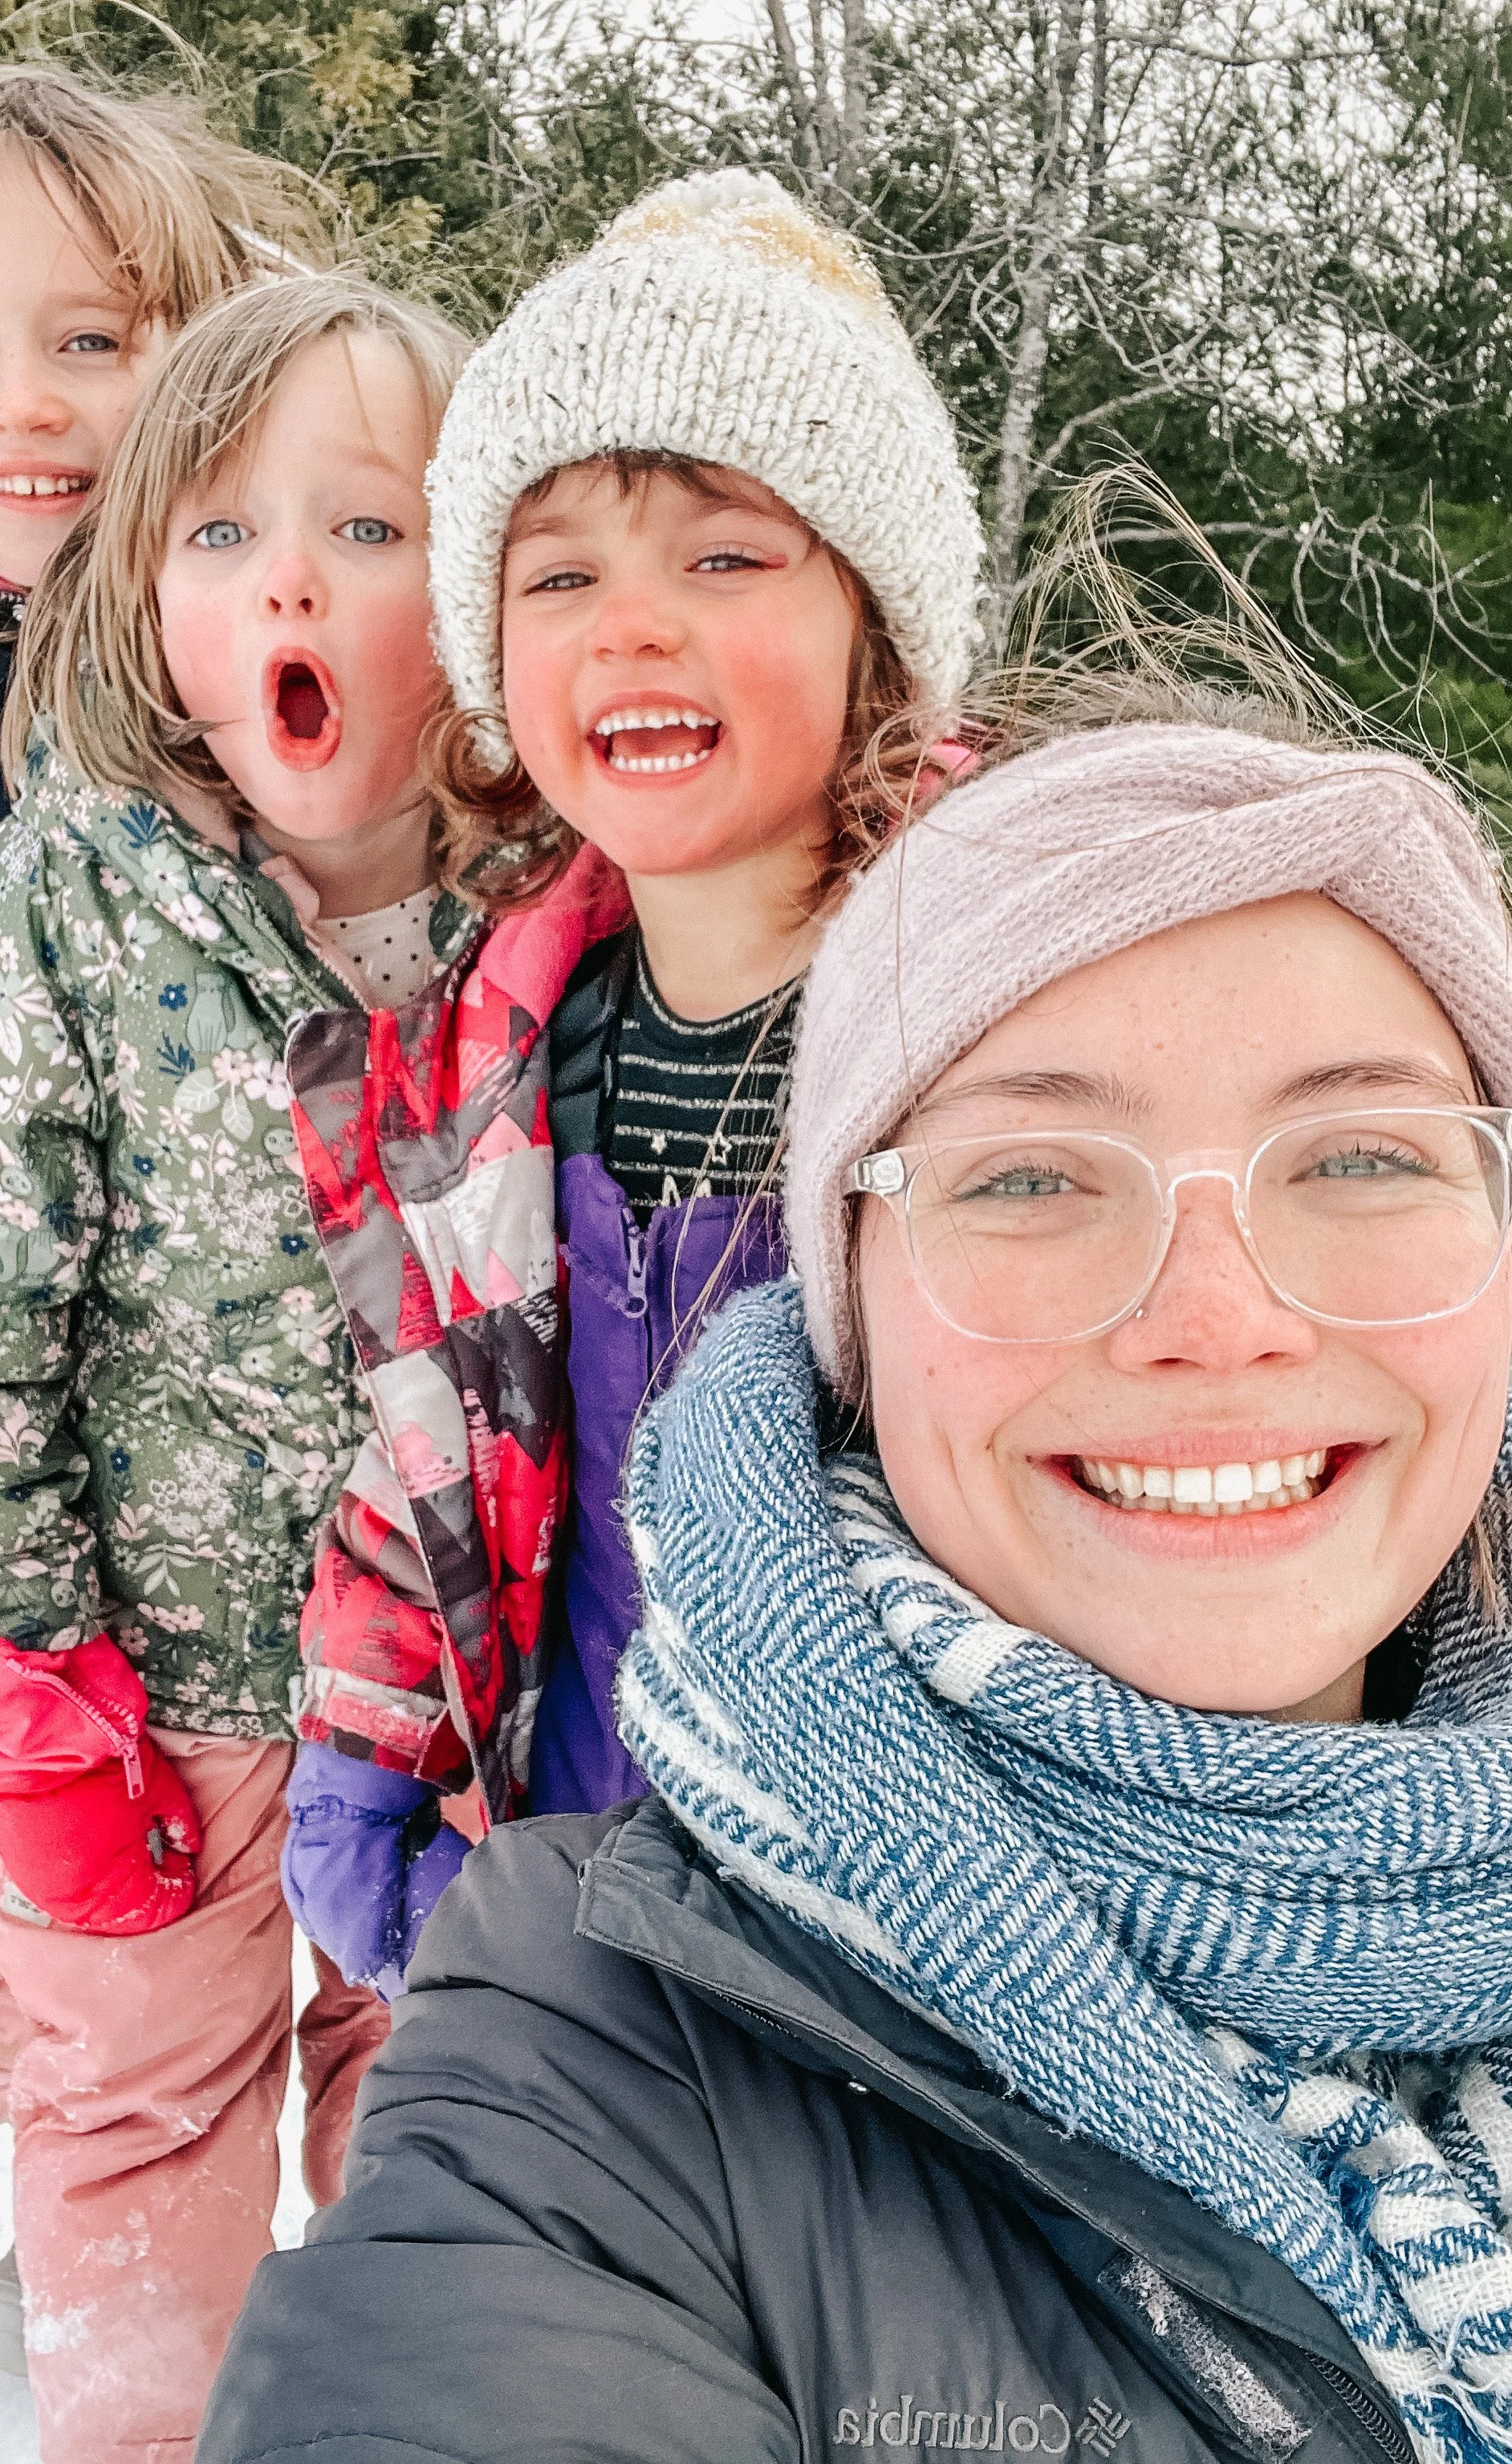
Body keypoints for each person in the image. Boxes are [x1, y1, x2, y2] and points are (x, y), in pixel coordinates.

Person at [195, 678, 1512, 2464]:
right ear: (850, 1313)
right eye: (1030, 1175)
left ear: (1510, 1246)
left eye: (1362, 1154)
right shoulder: (598, 2041)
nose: (1216, 1320)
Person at [0, 269, 468, 2464]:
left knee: (467, 2129)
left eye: (366, 528)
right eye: (218, 532)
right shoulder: (76, 903)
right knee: (130, 2128)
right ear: (149, 609)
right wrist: (19, 1678)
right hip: (156, 1712)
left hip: (455, 1707)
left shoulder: (558, 906)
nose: (285, 571)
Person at [278, 168, 984, 1996]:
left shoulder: (994, 1023)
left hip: (931, 1911)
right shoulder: (487, 1051)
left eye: (726, 553)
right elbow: (436, 1437)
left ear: (878, 626)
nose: (632, 621)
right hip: (591, 1849)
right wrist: (367, 1742)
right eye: (562, 572)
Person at [0, 59, 320, 2434]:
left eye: (95, 338)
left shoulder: (237, 627)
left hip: (139, 1462)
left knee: (74, 1894)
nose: (21, 408)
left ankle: (186, 2233)